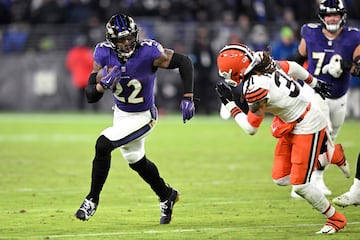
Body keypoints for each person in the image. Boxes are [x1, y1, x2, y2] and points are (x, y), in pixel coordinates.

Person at [74, 14, 195, 224]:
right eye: (121, 39)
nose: (127, 42)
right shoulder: (103, 53)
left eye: (130, 37)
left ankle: (92, 199)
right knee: (136, 160)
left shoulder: (149, 51)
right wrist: (103, 85)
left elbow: (184, 62)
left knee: (103, 144)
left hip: (144, 115)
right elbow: (90, 95)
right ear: (112, 41)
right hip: (121, 114)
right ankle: (167, 195)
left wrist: (188, 97)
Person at [215, 43, 347, 234]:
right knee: (281, 178)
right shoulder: (262, 61)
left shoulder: (254, 86)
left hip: (307, 124)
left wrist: (229, 104)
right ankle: (331, 154)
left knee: (300, 185)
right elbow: (293, 67)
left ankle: (336, 219)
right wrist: (314, 83)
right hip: (289, 123)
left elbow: (251, 128)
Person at [289, 0, 360, 196]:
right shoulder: (310, 32)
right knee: (320, 133)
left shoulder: (353, 37)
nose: (332, 18)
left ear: (342, 15)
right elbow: (298, 58)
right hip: (314, 91)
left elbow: (358, 67)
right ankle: (300, 181)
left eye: (335, 14)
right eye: (328, 14)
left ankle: (317, 179)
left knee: (331, 137)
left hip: (339, 96)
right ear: (322, 16)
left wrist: (345, 66)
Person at [65, 35, 94, 111]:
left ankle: (80, 110)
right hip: (88, 77)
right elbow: (92, 63)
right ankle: (94, 110)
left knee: (80, 96)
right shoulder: (87, 52)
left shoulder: (73, 52)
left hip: (78, 78)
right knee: (92, 94)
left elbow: (69, 65)